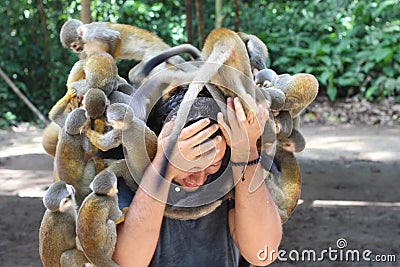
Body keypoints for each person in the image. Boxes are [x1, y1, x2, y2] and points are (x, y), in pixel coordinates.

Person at [113, 86, 282, 266]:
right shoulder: (128, 169)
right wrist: (164, 166)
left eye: (212, 165)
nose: (199, 180)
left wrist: (246, 152)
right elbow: (127, 263)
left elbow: (263, 253)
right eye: (191, 165)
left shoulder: (232, 171)